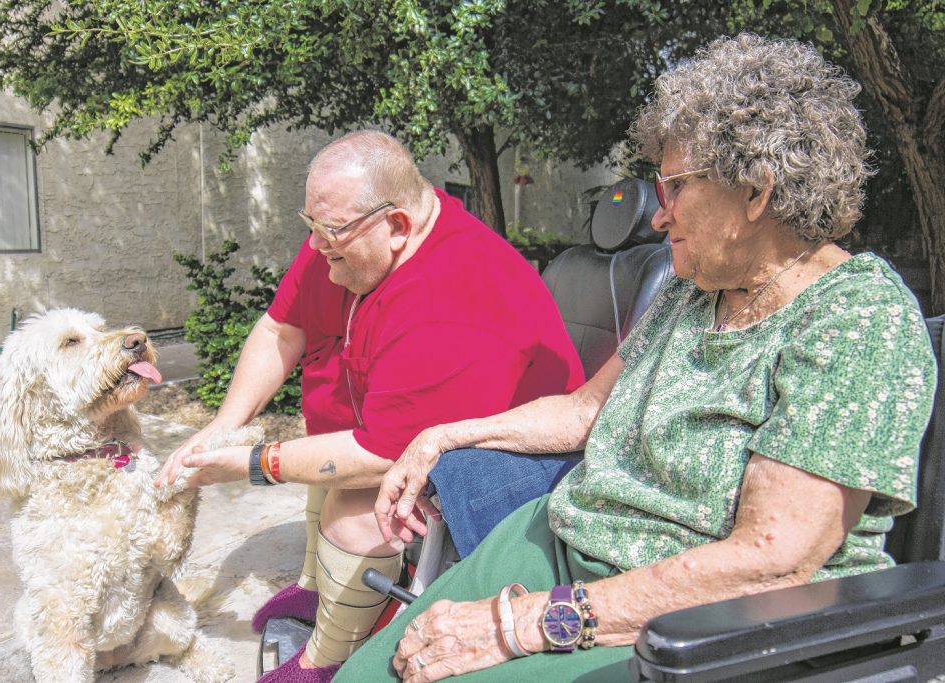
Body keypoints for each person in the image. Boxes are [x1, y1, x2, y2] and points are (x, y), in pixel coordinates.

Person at [339, 34, 938, 682]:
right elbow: (585, 409)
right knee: (368, 673)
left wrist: (524, 623)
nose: (660, 214)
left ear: (757, 191)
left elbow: (775, 557)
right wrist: (441, 436)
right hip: (565, 540)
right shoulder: (693, 289)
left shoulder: (854, 315)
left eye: (675, 186)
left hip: (684, 624)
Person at [155, 130, 585, 682]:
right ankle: (324, 594)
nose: (314, 247)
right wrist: (222, 424)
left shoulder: (453, 292)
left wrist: (251, 464)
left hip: (517, 466)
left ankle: (327, 659)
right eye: (310, 225)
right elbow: (279, 328)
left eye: (329, 232)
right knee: (321, 453)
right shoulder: (348, 235)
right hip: (413, 431)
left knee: (354, 512)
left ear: (398, 227)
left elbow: (383, 454)